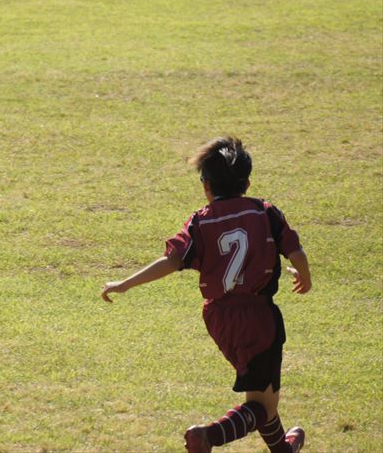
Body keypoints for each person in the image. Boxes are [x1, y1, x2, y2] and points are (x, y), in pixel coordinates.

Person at [100, 137, 311, 453]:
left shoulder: (200, 221)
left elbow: (171, 260)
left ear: (206, 185)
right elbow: (296, 252)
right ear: (247, 183)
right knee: (261, 405)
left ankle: (283, 449)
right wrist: (304, 275)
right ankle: (207, 436)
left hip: (218, 317)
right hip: (257, 317)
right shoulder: (264, 212)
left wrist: (125, 283)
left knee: (262, 393)